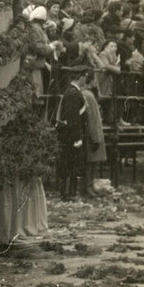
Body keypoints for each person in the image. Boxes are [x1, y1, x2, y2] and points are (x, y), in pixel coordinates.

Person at [56, 69, 94, 200]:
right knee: (70, 163)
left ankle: (69, 193)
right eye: (85, 76)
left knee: (71, 163)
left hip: (71, 134)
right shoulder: (73, 93)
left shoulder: (72, 91)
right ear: (81, 77)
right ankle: (68, 194)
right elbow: (73, 119)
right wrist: (77, 138)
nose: (86, 80)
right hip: (72, 135)